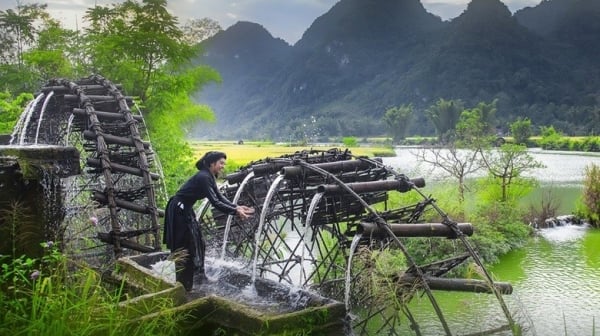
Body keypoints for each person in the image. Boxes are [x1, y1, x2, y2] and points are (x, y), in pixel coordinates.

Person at [163, 151, 254, 291]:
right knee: (185, 247)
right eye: (221, 163)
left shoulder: (209, 176)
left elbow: (219, 197)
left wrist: (237, 207)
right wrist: (235, 211)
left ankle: (198, 277)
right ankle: (182, 286)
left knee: (199, 243)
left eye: (224, 163)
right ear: (212, 163)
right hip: (178, 211)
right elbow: (214, 202)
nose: (223, 166)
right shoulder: (203, 177)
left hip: (186, 210)